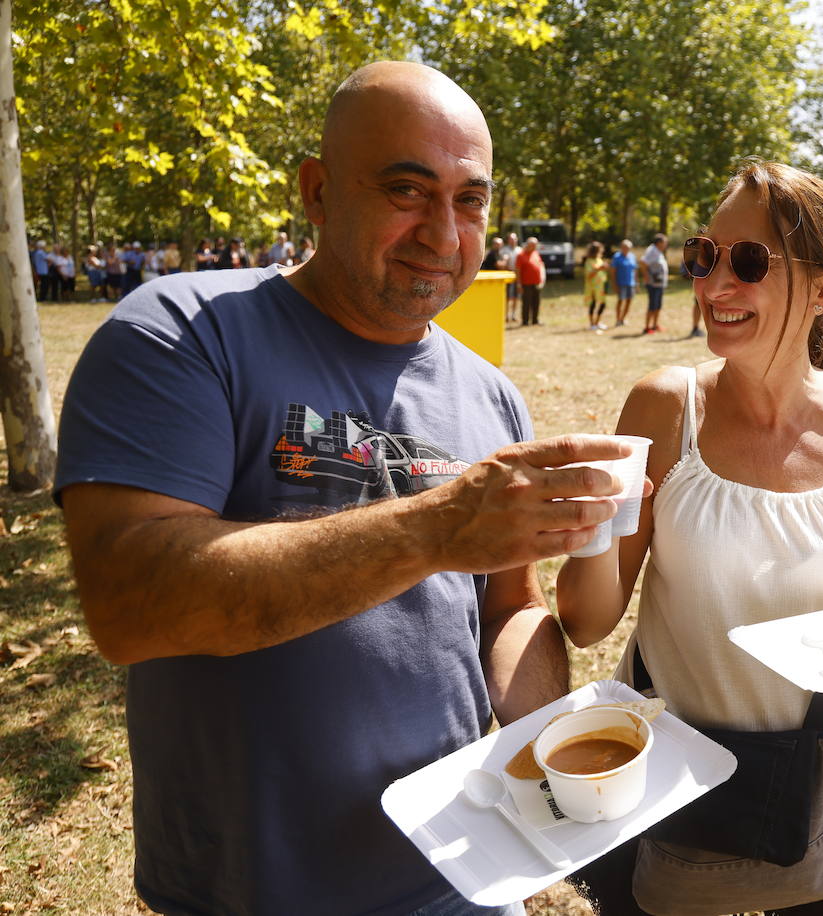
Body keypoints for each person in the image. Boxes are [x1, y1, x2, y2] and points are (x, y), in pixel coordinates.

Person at [54, 60, 632, 916]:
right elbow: (130, 602)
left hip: (468, 873)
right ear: (317, 193)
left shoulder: (490, 393)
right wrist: (434, 528)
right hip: (252, 888)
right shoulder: (181, 332)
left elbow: (507, 606)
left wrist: (552, 749)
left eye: (469, 201)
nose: (443, 234)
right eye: (407, 189)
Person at [557, 160, 823, 916]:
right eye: (705, 255)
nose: (715, 285)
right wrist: (593, 525)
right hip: (671, 798)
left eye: (750, 262)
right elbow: (588, 621)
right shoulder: (665, 406)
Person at [640, 232, 669, 334]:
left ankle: (655, 325)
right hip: (653, 284)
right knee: (652, 306)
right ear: (659, 243)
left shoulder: (658, 251)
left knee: (658, 305)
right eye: (665, 242)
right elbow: (643, 263)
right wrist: (646, 276)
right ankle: (647, 327)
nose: (666, 245)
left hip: (659, 284)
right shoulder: (652, 250)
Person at [515, 236, 545, 326]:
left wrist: (542, 279)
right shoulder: (521, 255)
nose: (535, 247)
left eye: (536, 245)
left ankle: (535, 320)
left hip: (536, 282)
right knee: (526, 302)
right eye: (533, 245)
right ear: (528, 245)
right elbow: (518, 270)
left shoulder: (536, 253)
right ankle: (525, 321)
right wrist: (519, 284)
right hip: (526, 283)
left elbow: (540, 265)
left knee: (536, 302)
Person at [583, 240, 609, 330]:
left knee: (603, 304)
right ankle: (592, 324)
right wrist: (599, 269)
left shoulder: (599, 259)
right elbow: (589, 275)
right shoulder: (589, 261)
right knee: (592, 304)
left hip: (601, 286)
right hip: (592, 287)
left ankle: (597, 322)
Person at [611, 238, 637, 327]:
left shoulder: (632, 256)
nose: (626, 249)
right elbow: (613, 271)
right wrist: (614, 284)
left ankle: (623, 318)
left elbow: (634, 270)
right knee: (620, 301)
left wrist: (636, 283)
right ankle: (618, 319)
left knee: (629, 301)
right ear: (621, 247)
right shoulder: (616, 257)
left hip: (631, 283)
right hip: (621, 283)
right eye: (624, 247)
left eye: (628, 248)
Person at [501, 231, 520, 324]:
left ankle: (513, 315)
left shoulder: (520, 250)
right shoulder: (504, 250)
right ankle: (506, 315)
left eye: (514, 239)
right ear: (508, 240)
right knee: (508, 296)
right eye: (511, 239)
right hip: (508, 275)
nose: (512, 241)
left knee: (516, 296)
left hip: (518, 276)